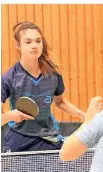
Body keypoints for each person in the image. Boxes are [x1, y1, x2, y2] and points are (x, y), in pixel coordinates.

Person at [1, 21, 85, 152]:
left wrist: (80, 114)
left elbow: (60, 102)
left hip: (48, 137)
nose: (34, 46)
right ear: (18, 45)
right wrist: (10, 116)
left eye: (38, 41)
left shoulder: (53, 74)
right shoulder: (9, 77)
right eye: (28, 42)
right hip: (19, 139)